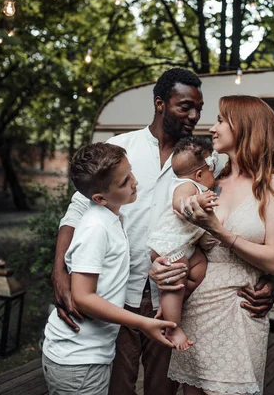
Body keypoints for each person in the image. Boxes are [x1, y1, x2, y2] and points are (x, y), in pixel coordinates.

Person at [52, 69, 274, 395]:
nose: (195, 115)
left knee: (163, 389)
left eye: (199, 108)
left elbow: (246, 218)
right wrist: (59, 271)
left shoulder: (210, 160)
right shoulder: (120, 148)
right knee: (119, 385)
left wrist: (269, 275)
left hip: (177, 298)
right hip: (119, 296)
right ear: (160, 103)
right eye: (185, 106)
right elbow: (76, 212)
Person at [169, 95, 274, 395]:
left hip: (240, 308)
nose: (213, 128)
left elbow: (272, 260)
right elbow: (188, 238)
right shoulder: (212, 179)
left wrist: (219, 230)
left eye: (220, 120)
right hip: (197, 306)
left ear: (244, 127)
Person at [42, 143, 176, 395]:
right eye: (125, 182)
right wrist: (143, 323)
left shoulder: (113, 218)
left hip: (91, 355)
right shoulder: (96, 227)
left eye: (131, 173)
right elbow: (82, 297)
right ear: (99, 198)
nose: (135, 182)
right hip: (78, 359)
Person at [148, 136, 219, 351]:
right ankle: (173, 326)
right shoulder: (186, 186)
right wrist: (197, 201)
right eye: (211, 171)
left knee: (199, 270)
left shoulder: (195, 184)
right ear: (199, 174)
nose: (213, 176)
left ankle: (171, 301)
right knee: (176, 281)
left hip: (185, 246)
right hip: (170, 246)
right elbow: (179, 204)